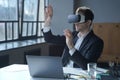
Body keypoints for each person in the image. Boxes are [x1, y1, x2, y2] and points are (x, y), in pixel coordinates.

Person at [42, 5, 104, 70]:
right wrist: (48, 20)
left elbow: (87, 66)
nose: (75, 23)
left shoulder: (97, 42)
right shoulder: (72, 35)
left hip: (80, 75)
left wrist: (71, 47)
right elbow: (49, 39)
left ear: (88, 22)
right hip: (63, 72)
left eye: (79, 19)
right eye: (75, 19)